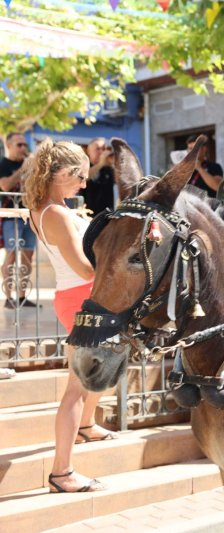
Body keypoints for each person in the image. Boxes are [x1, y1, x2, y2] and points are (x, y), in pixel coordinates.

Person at [23, 138, 117, 493]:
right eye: (80, 177)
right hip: (81, 300)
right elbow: (84, 269)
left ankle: (86, 425)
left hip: (78, 299)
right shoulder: (58, 214)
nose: (84, 184)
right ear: (61, 173)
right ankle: (61, 473)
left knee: (105, 371)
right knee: (76, 389)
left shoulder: (49, 208)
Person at [0, 132, 37, 309]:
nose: (23, 148)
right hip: (11, 216)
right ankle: (9, 298)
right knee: (12, 255)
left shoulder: (30, 164)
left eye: (25, 145)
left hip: (29, 215)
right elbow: (5, 185)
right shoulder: (3, 164)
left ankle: (22, 296)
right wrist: (23, 168)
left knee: (28, 256)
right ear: (9, 146)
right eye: (19, 145)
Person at [81, 138, 116, 217]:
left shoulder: (108, 168)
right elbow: (84, 177)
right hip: (88, 215)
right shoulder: (84, 165)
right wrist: (100, 164)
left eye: (103, 149)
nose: (101, 152)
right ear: (89, 151)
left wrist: (114, 163)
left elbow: (120, 181)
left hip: (107, 216)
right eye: (98, 149)